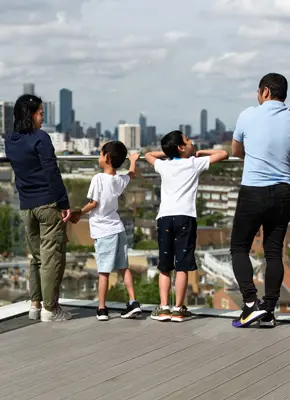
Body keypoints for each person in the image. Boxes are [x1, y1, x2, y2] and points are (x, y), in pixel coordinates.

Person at [145, 131, 228, 322]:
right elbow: (224, 154)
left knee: (165, 266)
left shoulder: (164, 166)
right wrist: (201, 152)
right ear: (182, 147)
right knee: (182, 265)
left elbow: (149, 155)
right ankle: (178, 309)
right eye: (188, 141)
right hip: (186, 218)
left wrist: (167, 153)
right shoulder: (193, 163)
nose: (192, 143)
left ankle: (164, 307)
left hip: (165, 218)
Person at [5, 95, 72, 322]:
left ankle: (35, 305)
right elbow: (51, 171)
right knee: (51, 257)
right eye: (40, 112)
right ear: (30, 114)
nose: (43, 117)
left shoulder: (10, 139)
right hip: (47, 204)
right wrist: (63, 202)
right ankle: (51, 309)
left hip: (26, 206)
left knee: (35, 257)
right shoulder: (41, 138)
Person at [231, 73, 290, 328]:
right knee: (274, 252)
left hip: (253, 190)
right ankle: (268, 310)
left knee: (239, 247)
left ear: (265, 91)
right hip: (284, 192)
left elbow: (235, 151)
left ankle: (250, 304)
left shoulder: (248, 115)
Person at [71, 141, 142, 321]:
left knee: (104, 271)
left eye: (101, 154)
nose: (99, 157)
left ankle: (102, 308)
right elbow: (131, 174)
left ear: (107, 158)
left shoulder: (98, 179)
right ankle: (133, 302)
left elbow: (94, 203)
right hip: (118, 229)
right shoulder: (119, 180)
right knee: (123, 268)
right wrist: (133, 160)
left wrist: (79, 212)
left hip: (103, 231)